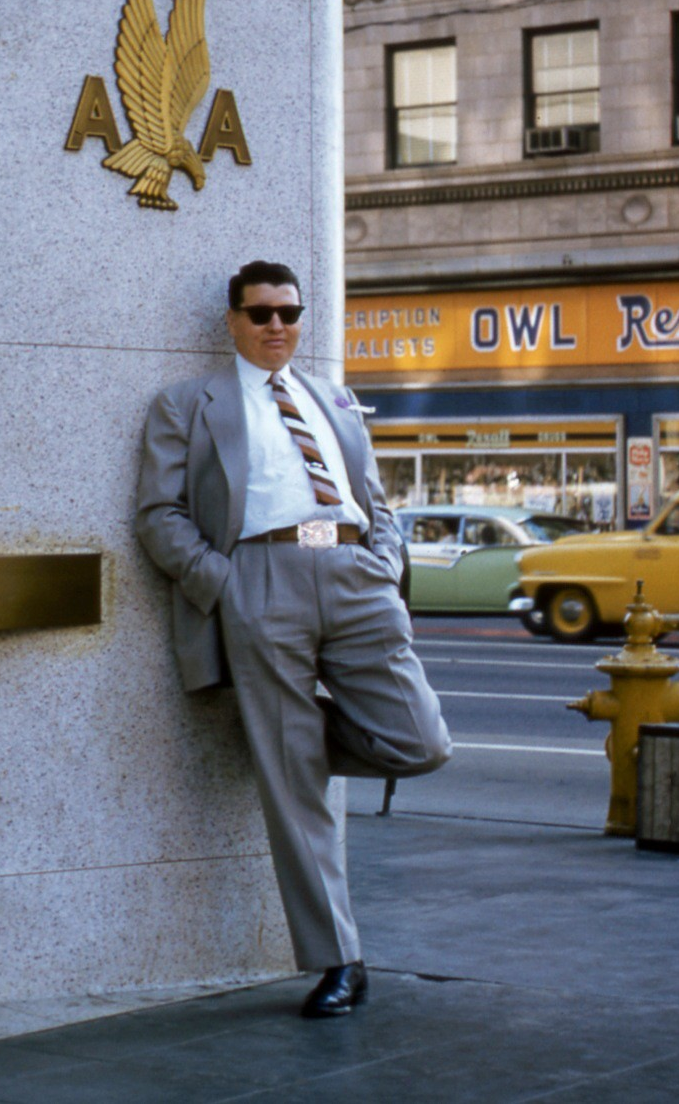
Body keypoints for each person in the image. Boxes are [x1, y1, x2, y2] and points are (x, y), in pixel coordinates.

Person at [136, 260, 451, 1018]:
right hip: (259, 578)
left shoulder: (332, 397)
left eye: (288, 312)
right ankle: (339, 958)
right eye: (260, 314)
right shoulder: (188, 403)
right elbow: (158, 514)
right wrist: (223, 582)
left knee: (421, 742)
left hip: (352, 574)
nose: (276, 326)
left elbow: (372, 496)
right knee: (293, 789)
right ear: (232, 322)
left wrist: (381, 561)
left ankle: (291, 745)